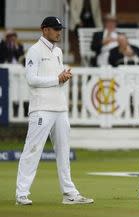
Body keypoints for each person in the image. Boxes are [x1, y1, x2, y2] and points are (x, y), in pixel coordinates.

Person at [15, 16, 94, 206]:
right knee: (32, 150)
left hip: (60, 108)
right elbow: (31, 79)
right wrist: (56, 79)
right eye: (55, 28)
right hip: (41, 108)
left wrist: (63, 77)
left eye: (60, 28)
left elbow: (56, 79)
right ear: (44, 30)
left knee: (63, 151)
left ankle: (69, 193)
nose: (59, 32)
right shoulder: (34, 50)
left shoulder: (58, 51)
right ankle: (21, 193)